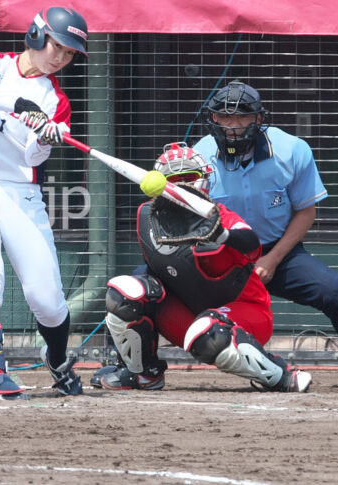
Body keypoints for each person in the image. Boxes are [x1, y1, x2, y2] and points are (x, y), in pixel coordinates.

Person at [193, 81, 338, 388]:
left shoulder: (291, 149)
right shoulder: (199, 156)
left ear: (258, 119)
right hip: (224, 255)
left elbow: (306, 211)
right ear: (214, 119)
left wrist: (272, 260)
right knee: (149, 285)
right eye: (223, 117)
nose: (231, 125)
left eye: (241, 117)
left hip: (279, 252)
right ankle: (139, 369)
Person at [0, 6, 87, 400]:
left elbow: (32, 159)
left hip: (21, 195)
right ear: (35, 35)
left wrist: (44, 136)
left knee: (46, 299)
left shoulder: (57, 103)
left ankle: (58, 363)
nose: (60, 58)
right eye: (56, 46)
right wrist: (22, 107)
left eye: (68, 53)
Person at [93, 143, 311, 392]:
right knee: (125, 291)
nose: (182, 186)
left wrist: (223, 235)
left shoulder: (218, 216)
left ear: (204, 180)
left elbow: (252, 245)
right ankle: (142, 373)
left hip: (244, 315)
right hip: (187, 313)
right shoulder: (147, 216)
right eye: (174, 180)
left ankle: (280, 375)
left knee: (208, 330)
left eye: (189, 178)